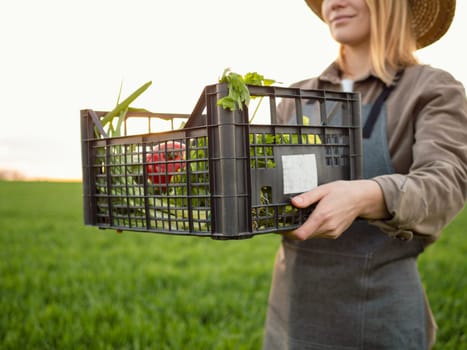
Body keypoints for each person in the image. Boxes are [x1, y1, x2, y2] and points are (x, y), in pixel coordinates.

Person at [262, 0, 467, 349]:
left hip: (379, 316)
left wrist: (368, 196)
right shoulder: (296, 98)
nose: (334, 3)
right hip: (294, 310)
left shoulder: (430, 89)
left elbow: (447, 182)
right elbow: (261, 181)